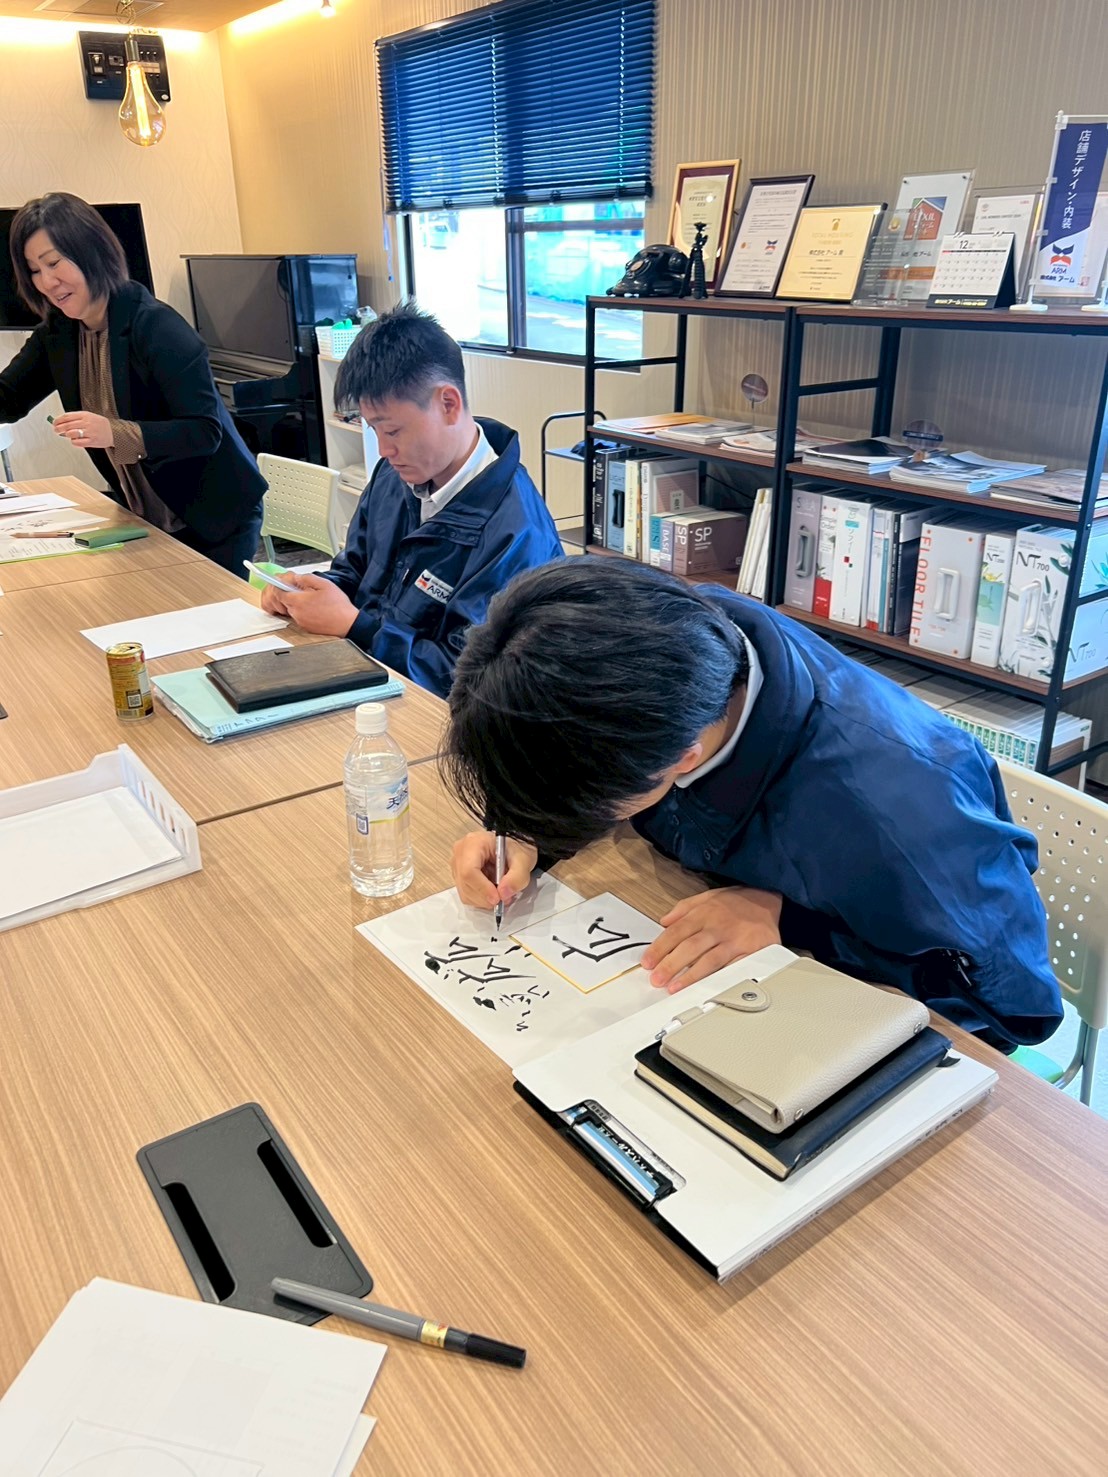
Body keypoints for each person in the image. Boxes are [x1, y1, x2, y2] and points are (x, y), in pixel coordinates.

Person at [445, 558, 1063, 1050]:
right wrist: (524, 826)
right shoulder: (674, 643)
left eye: (595, 803)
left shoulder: (901, 824)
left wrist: (790, 922)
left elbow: (1010, 1009)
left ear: (683, 759)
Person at [259, 302, 564, 699]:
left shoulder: (516, 532)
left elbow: (468, 678)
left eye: (393, 431)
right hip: (364, 678)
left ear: (448, 404)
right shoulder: (395, 475)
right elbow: (355, 571)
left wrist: (355, 627)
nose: (384, 451)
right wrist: (306, 591)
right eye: (373, 431)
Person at [0, 193, 265, 575]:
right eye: (34, 271)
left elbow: (204, 431)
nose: (47, 282)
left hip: (215, 514)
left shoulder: (156, 327)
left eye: (54, 263)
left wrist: (114, 433)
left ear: (91, 252)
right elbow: (8, 397)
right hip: (144, 512)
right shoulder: (58, 334)